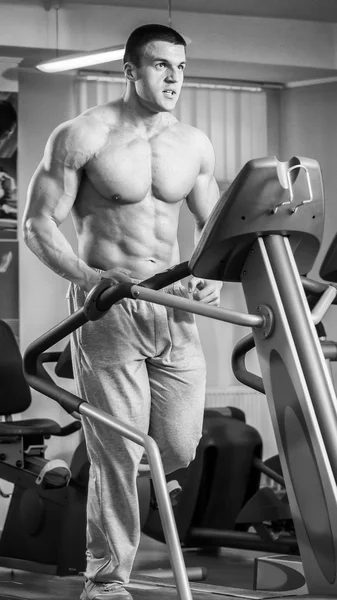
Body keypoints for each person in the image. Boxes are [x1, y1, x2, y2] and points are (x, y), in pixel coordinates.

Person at [23, 24, 222, 600]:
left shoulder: (195, 145)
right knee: (119, 446)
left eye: (181, 67)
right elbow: (38, 224)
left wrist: (207, 279)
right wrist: (91, 281)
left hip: (173, 307)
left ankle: (138, 473)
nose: (174, 78)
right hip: (108, 306)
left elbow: (211, 229)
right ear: (130, 70)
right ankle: (107, 581)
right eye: (161, 66)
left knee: (180, 447)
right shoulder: (82, 136)